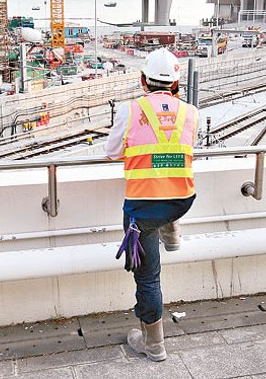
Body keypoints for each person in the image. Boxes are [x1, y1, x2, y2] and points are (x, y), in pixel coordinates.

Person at [105, 48, 198, 362]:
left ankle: (154, 344)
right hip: (182, 199)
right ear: (175, 83)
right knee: (165, 205)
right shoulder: (191, 112)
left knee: (148, 278)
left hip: (143, 209)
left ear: (143, 79)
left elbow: (112, 151)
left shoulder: (129, 110)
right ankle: (170, 231)